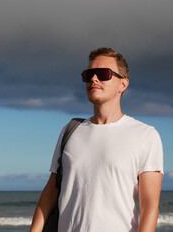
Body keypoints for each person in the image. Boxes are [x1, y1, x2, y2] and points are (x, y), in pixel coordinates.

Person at [30, 47, 164, 232]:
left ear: (122, 84)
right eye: (89, 74)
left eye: (103, 74)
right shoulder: (70, 131)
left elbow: (149, 206)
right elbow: (51, 191)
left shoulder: (145, 135)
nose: (94, 79)